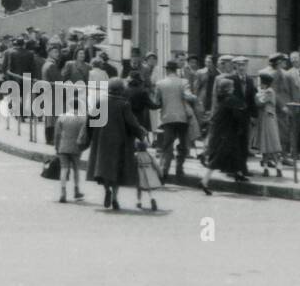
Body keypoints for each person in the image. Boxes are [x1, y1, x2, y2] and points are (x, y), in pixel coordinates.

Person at [89, 77, 148, 210]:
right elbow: (132, 123)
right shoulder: (124, 104)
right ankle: (115, 198)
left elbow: (91, 119)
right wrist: (141, 134)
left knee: (104, 170)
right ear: (121, 90)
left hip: (102, 142)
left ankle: (107, 191)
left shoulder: (101, 101)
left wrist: (88, 136)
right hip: (119, 142)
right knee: (117, 171)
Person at [200, 57, 249, 193]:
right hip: (225, 134)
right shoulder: (231, 99)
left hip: (224, 132)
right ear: (228, 88)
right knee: (217, 158)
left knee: (235, 153)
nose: (234, 88)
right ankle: (204, 181)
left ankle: (238, 173)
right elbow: (238, 114)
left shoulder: (223, 99)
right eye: (232, 86)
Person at [153, 60, 195, 182]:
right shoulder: (183, 82)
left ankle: (165, 171)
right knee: (183, 145)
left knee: (167, 145)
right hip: (182, 118)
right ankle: (179, 169)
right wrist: (194, 99)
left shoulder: (160, 84)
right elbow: (188, 96)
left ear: (167, 70)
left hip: (167, 118)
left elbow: (156, 102)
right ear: (176, 70)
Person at [54, 97, 88, 203]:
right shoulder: (82, 119)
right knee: (76, 169)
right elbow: (84, 135)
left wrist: (56, 146)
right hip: (76, 148)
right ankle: (76, 190)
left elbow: (57, 134)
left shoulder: (62, 117)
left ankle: (63, 192)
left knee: (64, 169)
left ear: (69, 106)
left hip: (63, 146)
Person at [255, 71, 283, 177]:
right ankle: (266, 168)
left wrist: (257, 94)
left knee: (271, 144)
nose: (259, 84)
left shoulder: (269, 92)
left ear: (264, 83)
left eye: (260, 82)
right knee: (265, 145)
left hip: (268, 120)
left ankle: (278, 167)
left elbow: (260, 102)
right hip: (264, 119)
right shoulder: (266, 91)